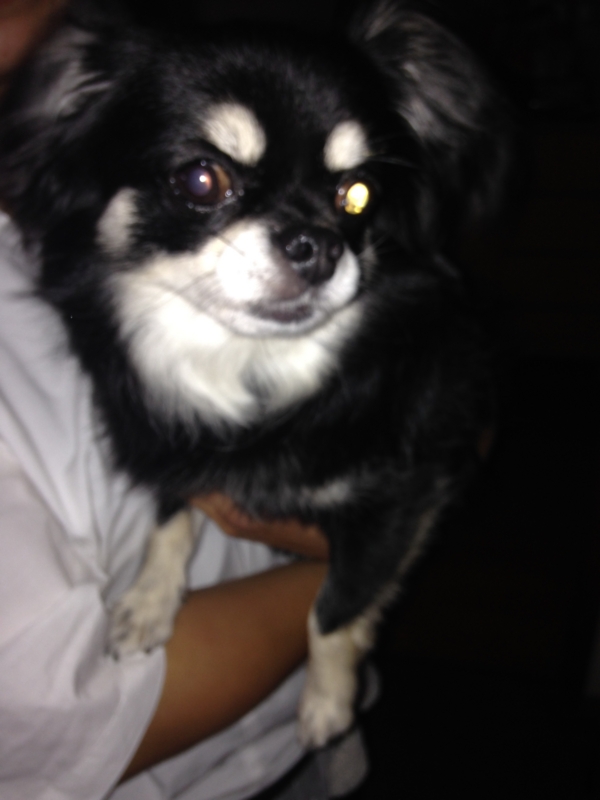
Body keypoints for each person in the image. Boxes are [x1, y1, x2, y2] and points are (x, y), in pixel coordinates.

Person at [0, 2, 370, 798]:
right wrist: (368, 560)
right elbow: (56, 719)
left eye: (349, 196)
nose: (314, 241)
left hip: (313, 750)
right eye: (205, 180)